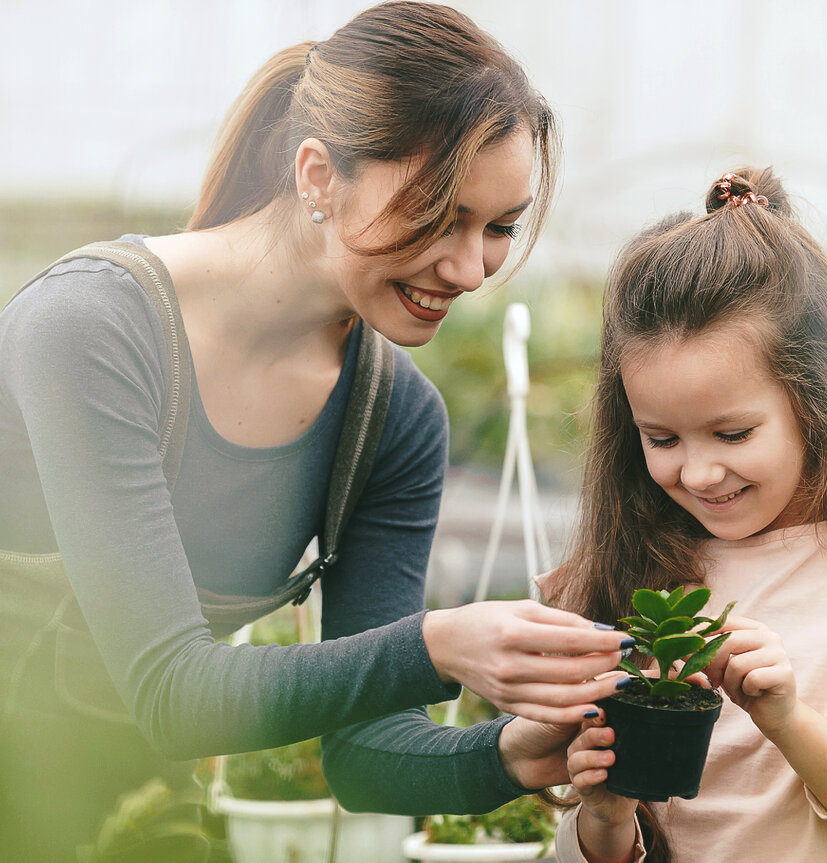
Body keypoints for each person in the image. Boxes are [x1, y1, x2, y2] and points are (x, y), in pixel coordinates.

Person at [0, 4, 633, 861]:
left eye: (498, 227)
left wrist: (507, 753)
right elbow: (172, 691)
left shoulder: (391, 418)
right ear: (317, 176)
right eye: (444, 213)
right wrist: (440, 643)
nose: (471, 267)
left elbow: (369, 759)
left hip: (135, 813)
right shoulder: (93, 328)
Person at [538, 168, 827, 863]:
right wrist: (603, 816)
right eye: (662, 438)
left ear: (816, 401)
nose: (699, 472)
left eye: (734, 434)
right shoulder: (623, 572)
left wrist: (790, 723)